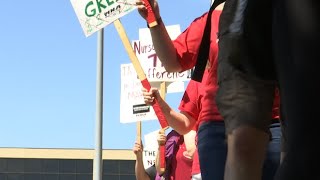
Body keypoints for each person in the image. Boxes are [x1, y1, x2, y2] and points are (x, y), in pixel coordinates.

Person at [137, 1, 281, 179]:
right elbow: (173, 60)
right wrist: (154, 20)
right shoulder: (210, 20)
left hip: (272, 121)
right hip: (217, 125)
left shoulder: (280, 14)